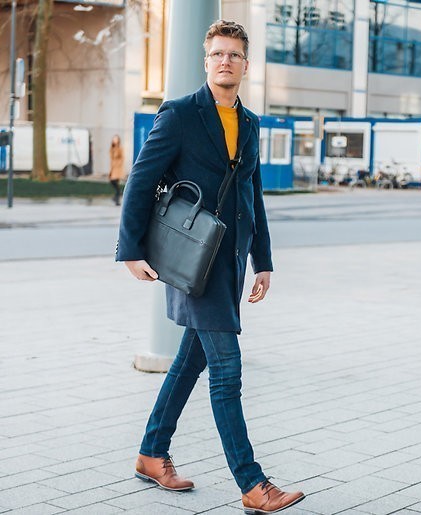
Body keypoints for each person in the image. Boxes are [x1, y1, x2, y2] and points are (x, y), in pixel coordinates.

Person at [115, 20, 305, 514]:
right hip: (191, 260)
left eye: (234, 55)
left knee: (189, 362)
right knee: (226, 371)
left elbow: (252, 195)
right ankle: (252, 483)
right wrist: (130, 249)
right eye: (218, 53)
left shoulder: (251, 123)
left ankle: (151, 453)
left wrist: (263, 261)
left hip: (230, 264)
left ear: (246, 64)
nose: (225, 61)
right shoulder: (180, 114)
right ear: (206, 61)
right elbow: (141, 180)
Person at [109, 134, 124, 205]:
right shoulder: (112, 148)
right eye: (114, 139)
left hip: (117, 168)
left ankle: (117, 198)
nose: (114, 140)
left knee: (114, 182)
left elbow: (122, 158)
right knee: (113, 182)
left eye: (116, 139)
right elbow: (111, 158)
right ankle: (116, 199)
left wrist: (118, 165)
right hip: (113, 168)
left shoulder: (120, 148)